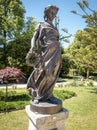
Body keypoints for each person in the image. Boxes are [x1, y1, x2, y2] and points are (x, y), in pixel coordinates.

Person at [26, 5, 61, 103]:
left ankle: (49, 95)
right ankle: (38, 95)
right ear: (46, 13)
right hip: (45, 52)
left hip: (56, 52)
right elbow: (34, 37)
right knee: (46, 73)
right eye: (51, 12)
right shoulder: (40, 24)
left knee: (54, 74)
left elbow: (56, 39)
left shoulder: (54, 27)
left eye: (55, 13)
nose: (53, 15)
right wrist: (32, 47)